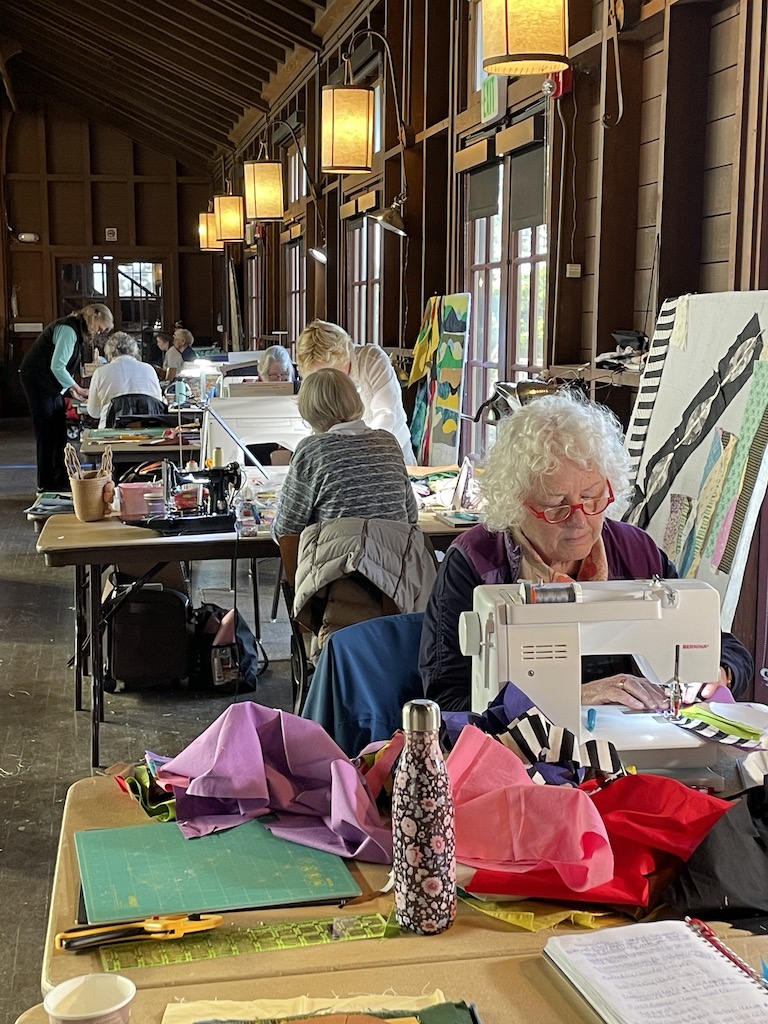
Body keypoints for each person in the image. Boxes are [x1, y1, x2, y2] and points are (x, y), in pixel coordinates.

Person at [420, 391, 753, 713]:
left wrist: (720, 670)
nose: (579, 521)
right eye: (556, 506)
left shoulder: (637, 553)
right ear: (516, 504)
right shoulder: (475, 562)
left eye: (592, 497)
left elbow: (720, 645)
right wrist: (575, 696)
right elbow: (446, 701)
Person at [272, 367, 418, 539]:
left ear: (309, 410)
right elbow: (411, 518)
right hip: (395, 554)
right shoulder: (388, 442)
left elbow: (285, 531)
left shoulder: (312, 450)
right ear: (355, 399)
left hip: (339, 556)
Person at [19, 303, 114, 492]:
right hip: (38, 381)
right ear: (95, 317)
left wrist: (72, 391)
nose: (98, 332)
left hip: (48, 384)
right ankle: (47, 484)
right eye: (100, 327)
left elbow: (62, 368)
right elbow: (57, 366)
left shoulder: (76, 329)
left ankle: (61, 480)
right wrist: (76, 387)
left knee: (58, 431)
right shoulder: (69, 330)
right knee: (47, 432)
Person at [296, 320, 415, 465]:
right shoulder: (313, 372)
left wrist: (357, 451)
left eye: (332, 372)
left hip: (391, 452)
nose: (328, 381)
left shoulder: (372, 359)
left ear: (344, 355)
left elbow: (386, 415)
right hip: (344, 457)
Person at [86, 331, 165, 428]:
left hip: (110, 431)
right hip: (146, 430)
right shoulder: (149, 369)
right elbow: (158, 402)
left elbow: (93, 412)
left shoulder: (100, 373)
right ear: (133, 349)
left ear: (109, 351)